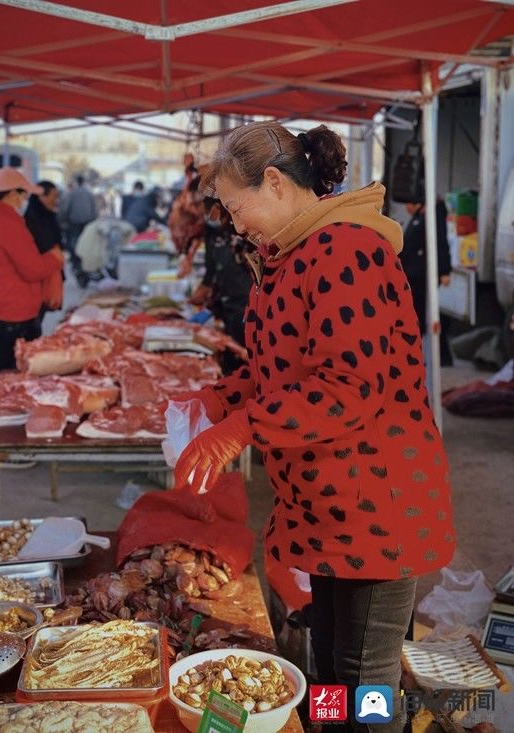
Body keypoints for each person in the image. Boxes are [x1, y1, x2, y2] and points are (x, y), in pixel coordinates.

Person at [172, 121, 456, 732]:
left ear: (273, 183)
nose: (234, 223)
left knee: (364, 677)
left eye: (236, 206)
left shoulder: (347, 250)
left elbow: (346, 387)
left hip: (377, 508)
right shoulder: (291, 253)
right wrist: (220, 398)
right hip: (330, 509)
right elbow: (285, 368)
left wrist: (239, 429)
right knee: (329, 665)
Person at [0, 167, 63, 378]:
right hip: (9, 316)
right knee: (11, 377)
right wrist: (55, 258)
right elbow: (33, 269)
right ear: (12, 194)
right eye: (23, 194)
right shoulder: (7, 222)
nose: (24, 200)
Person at [189, 197, 252, 373]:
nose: (205, 216)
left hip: (247, 305)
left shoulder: (242, 231)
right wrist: (210, 305)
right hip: (227, 307)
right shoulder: (211, 232)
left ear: (219, 207)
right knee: (233, 362)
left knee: (249, 359)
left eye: (207, 212)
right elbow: (212, 271)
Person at [400, 198, 453, 366]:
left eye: (407, 203)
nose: (406, 207)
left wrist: (444, 270)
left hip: (423, 277)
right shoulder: (418, 217)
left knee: (422, 317)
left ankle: (429, 356)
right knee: (421, 317)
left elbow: (440, 241)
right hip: (414, 276)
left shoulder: (431, 214)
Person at [24, 180, 64, 320]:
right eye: (54, 196)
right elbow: (46, 245)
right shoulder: (34, 218)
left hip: (47, 271)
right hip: (41, 276)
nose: (56, 200)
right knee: (36, 317)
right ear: (42, 196)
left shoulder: (45, 214)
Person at [60, 174, 97, 286]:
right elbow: (94, 210)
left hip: (74, 223)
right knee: (87, 245)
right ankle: (86, 266)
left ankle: (77, 266)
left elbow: (65, 209)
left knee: (74, 245)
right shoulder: (89, 194)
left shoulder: (71, 194)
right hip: (87, 223)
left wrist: (63, 221)